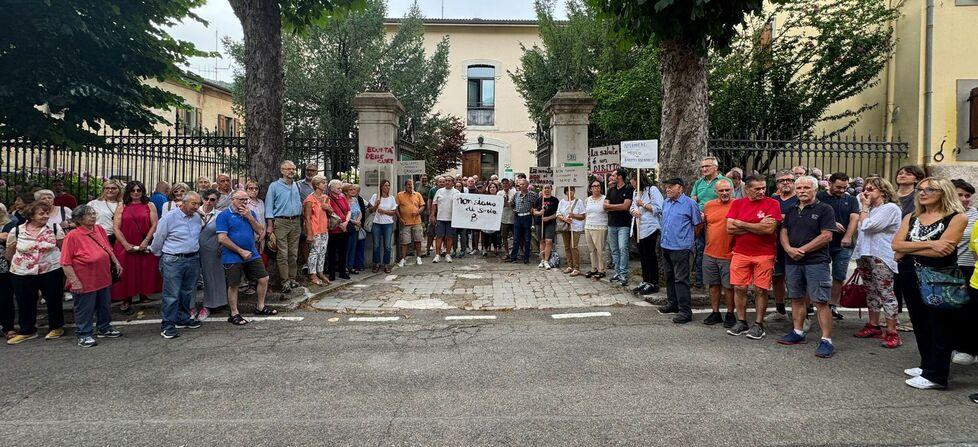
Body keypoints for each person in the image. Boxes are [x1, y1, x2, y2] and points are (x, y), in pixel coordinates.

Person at [892, 177, 968, 389]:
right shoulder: (912, 216)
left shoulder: (956, 217)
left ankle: (937, 375)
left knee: (940, 323)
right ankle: (927, 365)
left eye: (930, 190)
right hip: (910, 271)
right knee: (919, 320)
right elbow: (895, 244)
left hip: (939, 273)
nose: (922, 193)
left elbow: (946, 250)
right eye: (920, 190)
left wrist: (907, 248)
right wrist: (932, 244)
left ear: (943, 192)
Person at [776, 176, 838, 358]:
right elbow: (784, 231)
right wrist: (788, 249)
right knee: (796, 298)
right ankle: (798, 331)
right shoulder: (792, 209)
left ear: (815, 190)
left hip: (816, 262)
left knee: (820, 301)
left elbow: (826, 236)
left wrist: (801, 250)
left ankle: (827, 340)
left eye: (806, 188)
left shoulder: (825, 209)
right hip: (792, 261)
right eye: (799, 187)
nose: (802, 191)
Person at [726, 175, 783, 340]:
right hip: (740, 252)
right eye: (757, 188)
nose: (762, 191)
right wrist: (757, 225)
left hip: (764, 254)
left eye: (763, 188)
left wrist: (742, 223)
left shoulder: (772, 203)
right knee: (739, 288)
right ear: (747, 189)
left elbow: (768, 230)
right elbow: (730, 228)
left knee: (760, 289)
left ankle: (758, 324)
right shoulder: (737, 203)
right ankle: (741, 321)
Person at [851, 177, 903, 348]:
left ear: (883, 191)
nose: (866, 192)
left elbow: (868, 226)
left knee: (885, 292)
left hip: (882, 255)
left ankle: (892, 331)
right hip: (865, 253)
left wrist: (864, 208)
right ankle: (873, 325)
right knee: (871, 291)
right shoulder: (869, 209)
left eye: (871, 189)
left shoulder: (890, 208)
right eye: (865, 189)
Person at [61, 205, 124, 347]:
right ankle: (84, 334)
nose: (93, 216)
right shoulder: (72, 236)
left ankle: (104, 327)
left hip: (103, 276)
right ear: (79, 219)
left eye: (93, 213)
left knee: (105, 305)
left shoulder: (99, 229)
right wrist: (74, 281)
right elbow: (65, 262)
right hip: (85, 279)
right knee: (85, 308)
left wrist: (116, 262)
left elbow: (107, 248)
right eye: (89, 214)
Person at [4, 202, 65, 345]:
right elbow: (10, 252)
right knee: (25, 301)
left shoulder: (55, 228)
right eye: (41, 213)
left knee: (54, 299)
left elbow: (63, 248)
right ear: (31, 216)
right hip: (22, 271)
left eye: (46, 213)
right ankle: (27, 330)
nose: (45, 216)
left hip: (50, 269)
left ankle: (56, 327)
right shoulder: (16, 231)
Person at [218, 190, 277, 325]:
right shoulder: (224, 215)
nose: (245, 202)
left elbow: (260, 230)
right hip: (232, 255)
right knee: (234, 284)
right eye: (241, 199)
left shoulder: (250, 213)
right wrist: (240, 251)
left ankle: (260, 306)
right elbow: (222, 238)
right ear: (233, 200)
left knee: (264, 278)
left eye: (246, 200)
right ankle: (234, 313)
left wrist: (250, 217)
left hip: (251, 253)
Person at [151, 191, 204, 339]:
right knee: (171, 295)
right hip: (173, 259)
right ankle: (167, 325)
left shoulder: (196, 218)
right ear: (184, 202)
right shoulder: (169, 218)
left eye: (198, 203)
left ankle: (183, 318)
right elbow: (158, 238)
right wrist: (158, 255)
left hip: (192, 258)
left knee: (187, 291)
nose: (196, 206)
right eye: (194, 203)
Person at [656, 178, 702, 323]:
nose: (667, 190)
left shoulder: (690, 204)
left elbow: (698, 225)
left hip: (681, 247)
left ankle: (685, 311)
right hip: (666, 246)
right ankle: (672, 304)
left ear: (680, 188)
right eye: (666, 187)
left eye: (671, 187)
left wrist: (687, 240)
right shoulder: (666, 203)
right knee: (669, 276)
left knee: (681, 279)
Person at [112, 180, 162, 312]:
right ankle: (126, 299)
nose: (135, 193)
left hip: (144, 241)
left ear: (142, 191)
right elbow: (116, 228)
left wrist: (146, 241)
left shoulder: (149, 205)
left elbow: (155, 224)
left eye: (138, 190)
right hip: (125, 243)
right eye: (133, 190)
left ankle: (143, 295)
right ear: (128, 192)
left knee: (144, 269)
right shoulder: (121, 206)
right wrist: (125, 244)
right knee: (126, 271)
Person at [818, 172, 861, 321]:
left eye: (845, 187)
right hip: (822, 243)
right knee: (818, 275)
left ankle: (832, 305)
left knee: (839, 275)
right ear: (829, 183)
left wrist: (848, 236)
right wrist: (830, 223)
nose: (842, 190)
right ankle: (816, 303)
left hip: (843, 245)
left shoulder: (851, 199)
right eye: (838, 187)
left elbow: (854, 218)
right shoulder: (819, 197)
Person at [893, 164, 927, 327]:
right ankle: (894, 316)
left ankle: (914, 319)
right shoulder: (891, 194)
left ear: (917, 178)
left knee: (910, 282)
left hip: (910, 242)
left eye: (908, 173)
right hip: (890, 240)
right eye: (900, 172)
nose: (902, 175)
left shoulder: (918, 196)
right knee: (893, 281)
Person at [702, 179, 737, 327]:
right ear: (715, 192)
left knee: (729, 287)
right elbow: (705, 227)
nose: (724, 193)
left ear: (732, 190)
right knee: (713, 285)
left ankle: (730, 314)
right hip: (710, 252)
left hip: (729, 253)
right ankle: (715, 313)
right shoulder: (708, 206)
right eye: (721, 190)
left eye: (727, 190)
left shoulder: (737, 204)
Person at [766, 170, 799, 323]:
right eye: (782, 180)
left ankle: (802, 315)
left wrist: (779, 217)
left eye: (789, 180)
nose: (785, 183)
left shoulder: (800, 199)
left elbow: (799, 217)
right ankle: (780, 311)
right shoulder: (773, 199)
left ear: (794, 182)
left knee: (796, 280)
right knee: (777, 278)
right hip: (775, 245)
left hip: (795, 245)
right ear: (777, 183)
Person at [265, 161, 303, 293]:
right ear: (282, 170)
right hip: (281, 222)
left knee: (293, 252)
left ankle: (292, 278)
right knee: (282, 253)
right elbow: (269, 206)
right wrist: (270, 225)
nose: (291, 171)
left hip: (296, 221)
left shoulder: (296, 185)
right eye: (288, 169)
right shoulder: (274, 186)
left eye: (293, 169)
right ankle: (285, 281)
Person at [951, 179, 978, 366]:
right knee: (952, 309)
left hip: (969, 268)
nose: (965, 199)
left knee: (968, 310)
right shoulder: (945, 214)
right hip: (950, 267)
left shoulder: (975, 215)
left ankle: (968, 348)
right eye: (960, 195)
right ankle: (955, 344)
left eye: (967, 195)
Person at [690, 157, 727, 287]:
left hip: (717, 221)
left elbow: (727, 201)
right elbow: (693, 200)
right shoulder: (698, 183)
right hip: (700, 221)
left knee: (719, 251)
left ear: (715, 167)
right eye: (702, 167)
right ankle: (701, 281)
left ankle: (721, 281)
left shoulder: (724, 182)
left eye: (707, 166)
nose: (704, 169)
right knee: (700, 250)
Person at [193, 188, 228, 321]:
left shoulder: (220, 215)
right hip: (192, 249)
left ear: (217, 201)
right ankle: (190, 306)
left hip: (212, 249)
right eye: (206, 199)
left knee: (212, 277)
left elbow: (224, 232)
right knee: (192, 279)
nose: (208, 202)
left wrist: (222, 246)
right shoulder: (194, 212)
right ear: (202, 199)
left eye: (212, 199)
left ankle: (209, 305)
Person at [629, 173, 663, 294]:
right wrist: (633, 211)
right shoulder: (635, 192)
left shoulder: (652, 190)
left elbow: (659, 208)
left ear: (638, 179)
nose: (631, 183)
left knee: (649, 254)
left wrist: (643, 204)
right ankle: (645, 279)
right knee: (642, 255)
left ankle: (653, 282)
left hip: (650, 227)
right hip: (638, 226)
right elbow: (632, 207)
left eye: (632, 180)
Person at [604, 168, 634, 286]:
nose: (611, 177)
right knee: (614, 250)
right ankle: (617, 272)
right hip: (612, 224)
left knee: (623, 248)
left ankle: (624, 273)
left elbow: (625, 207)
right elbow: (604, 206)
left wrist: (610, 206)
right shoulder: (611, 190)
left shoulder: (628, 189)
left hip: (624, 224)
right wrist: (617, 206)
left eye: (613, 175)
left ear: (620, 177)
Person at [303, 175, 331, 285]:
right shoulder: (310, 200)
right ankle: (312, 274)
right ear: (316, 185)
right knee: (314, 252)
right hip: (314, 229)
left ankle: (320, 272)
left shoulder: (325, 198)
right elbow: (307, 217)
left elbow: (330, 214)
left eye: (325, 183)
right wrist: (309, 233)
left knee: (322, 252)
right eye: (323, 183)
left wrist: (327, 208)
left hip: (324, 228)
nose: (325, 185)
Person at [369, 179, 398, 273]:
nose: (387, 187)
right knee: (376, 245)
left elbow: (394, 212)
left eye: (388, 185)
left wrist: (384, 211)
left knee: (387, 246)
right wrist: (376, 205)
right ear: (381, 187)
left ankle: (386, 264)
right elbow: (370, 210)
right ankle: (376, 263)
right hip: (376, 223)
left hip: (388, 224)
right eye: (385, 185)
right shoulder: (375, 196)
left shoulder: (391, 198)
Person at [396, 178, 426, 267]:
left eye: (411, 184)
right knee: (404, 242)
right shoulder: (399, 195)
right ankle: (403, 259)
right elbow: (396, 208)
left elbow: (422, 206)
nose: (410, 186)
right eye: (408, 184)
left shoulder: (417, 195)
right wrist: (400, 219)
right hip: (405, 222)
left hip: (416, 221)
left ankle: (418, 257)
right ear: (405, 186)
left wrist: (418, 211)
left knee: (418, 240)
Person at [557, 185, 586, 276]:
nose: (570, 192)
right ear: (565, 192)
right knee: (567, 247)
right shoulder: (562, 202)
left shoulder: (579, 202)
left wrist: (573, 215)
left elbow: (583, 216)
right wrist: (565, 219)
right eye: (569, 190)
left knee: (573, 246)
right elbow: (558, 214)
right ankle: (570, 265)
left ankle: (576, 267)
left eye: (572, 190)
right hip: (565, 227)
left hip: (575, 227)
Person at [326, 180, 351, 281]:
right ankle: (331, 273)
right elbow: (329, 213)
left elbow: (348, 210)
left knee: (343, 252)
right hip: (334, 229)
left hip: (344, 229)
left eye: (340, 187)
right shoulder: (328, 199)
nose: (340, 189)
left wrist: (346, 222)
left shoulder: (342, 198)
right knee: (332, 252)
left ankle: (342, 272)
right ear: (331, 188)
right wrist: (340, 223)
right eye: (338, 188)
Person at [584, 180, 608, 280]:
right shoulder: (587, 200)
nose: (596, 188)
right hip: (589, 226)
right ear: (590, 188)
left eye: (598, 186)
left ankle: (602, 269)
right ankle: (593, 268)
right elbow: (586, 213)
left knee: (600, 249)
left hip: (600, 226)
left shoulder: (605, 198)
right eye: (594, 186)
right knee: (591, 249)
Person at [532, 184, 560, 269]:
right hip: (539, 223)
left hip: (550, 223)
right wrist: (540, 213)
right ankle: (542, 260)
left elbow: (557, 213)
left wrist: (548, 218)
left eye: (548, 188)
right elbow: (534, 211)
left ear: (551, 189)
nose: (547, 189)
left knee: (549, 241)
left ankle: (546, 260)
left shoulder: (555, 200)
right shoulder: (539, 200)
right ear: (543, 189)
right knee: (542, 241)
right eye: (545, 188)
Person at [88, 179, 123, 244]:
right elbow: (84, 220)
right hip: (99, 237)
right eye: (107, 188)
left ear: (119, 190)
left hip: (120, 238)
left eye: (113, 188)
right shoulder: (94, 204)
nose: (110, 190)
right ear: (103, 190)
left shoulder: (124, 204)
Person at [431, 177, 458, 263]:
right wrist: (432, 215)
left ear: (453, 182)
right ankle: (437, 255)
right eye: (446, 181)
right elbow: (434, 203)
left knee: (449, 237)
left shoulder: (457, 192)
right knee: (439, 236)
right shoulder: (439, 191)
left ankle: (448, 254)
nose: (447, 182)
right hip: (440, 218)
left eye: (449, 181)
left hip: (452, 219)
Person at [345, 184, 367, 274]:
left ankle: (351, 266)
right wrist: (354, 222)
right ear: (346, 191)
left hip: (356, 227)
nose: (353, 191)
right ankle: (345, 266)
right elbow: (343, 215)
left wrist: (358, 220)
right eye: (351, 190)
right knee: (347, 247)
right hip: (348, 226)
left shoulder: (355, 199)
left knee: (353, 247)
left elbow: (360, 211)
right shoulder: (343, 200)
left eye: (354, 189)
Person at [482, 182, 504, 257]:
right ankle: (485, 249)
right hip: (486, 218)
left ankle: (495, 249)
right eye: (490, 187)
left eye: (494, 187)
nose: (492, 188)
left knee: (495, 235)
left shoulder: (499, 197)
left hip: (495, 219)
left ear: (496, 188)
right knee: (486, 235)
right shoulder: (485, 197)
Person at [499, 178, 516, 254]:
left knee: (515, 236)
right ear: (501, 185)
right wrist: (504, 203)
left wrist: (508, 203)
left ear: (509, 184)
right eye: (503, 183)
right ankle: (506, 252)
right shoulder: (499, 193)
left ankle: (514, 252)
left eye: (507, 183)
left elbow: (514, 203)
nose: (505, 185)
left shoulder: (514, 192)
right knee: (504, 236)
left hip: (513, 218)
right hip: (504, 218)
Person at [425, 176, 441, 256]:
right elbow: (429, 202)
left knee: (441, 234)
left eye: (443, 182)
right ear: (436, 182)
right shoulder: (433, 190)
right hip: (433, 214)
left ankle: (442, 250)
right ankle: (427, 249)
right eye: (440, 182)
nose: (441, 183)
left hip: (442, 215)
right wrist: (430, 214)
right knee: (430, 232)